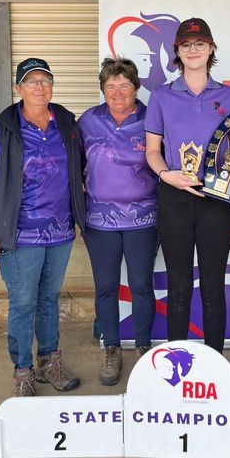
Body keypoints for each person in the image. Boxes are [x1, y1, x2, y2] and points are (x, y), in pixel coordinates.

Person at [0, 57, 86, 397]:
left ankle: (49, 360)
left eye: (45, 80)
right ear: (18, 88)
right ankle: (22, 371)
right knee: (23, 302)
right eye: (32, 81)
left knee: (49, 298)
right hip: (19, 233)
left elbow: (81, 168)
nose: (40, 87)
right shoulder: (3, 127)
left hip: (60, 232)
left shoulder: (66, 122)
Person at [145, 17, 230, 354]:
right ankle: (176, 364)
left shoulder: (229, 95)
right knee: (178, 286)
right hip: (174, 197)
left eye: (200, 44)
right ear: (177, 52)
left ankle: (214, 364)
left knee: (212, 285)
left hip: (216, 199)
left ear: (211, 49)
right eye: (186, 45)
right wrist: (167, 175)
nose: (193, 50)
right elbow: (152, 151)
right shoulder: (161, 97)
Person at [78, 58, 158, 386]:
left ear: (136, 88)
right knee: (106, 287)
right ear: (102, 90)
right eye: (110, 86)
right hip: (99, 220)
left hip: (144, 218)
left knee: (141, 285)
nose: (117, 92)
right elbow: (72, 165)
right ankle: (111, 348)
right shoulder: (87, 121)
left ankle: (142, 348)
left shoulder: (152, 117)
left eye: (124, 85)